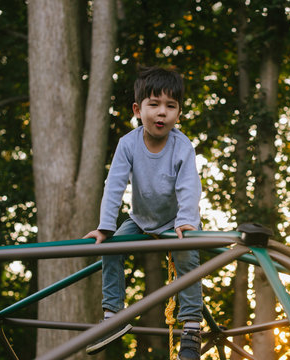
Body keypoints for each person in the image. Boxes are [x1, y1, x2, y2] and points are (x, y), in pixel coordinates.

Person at [84, 66, 203, 360]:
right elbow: (114, 186)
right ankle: (113, 316)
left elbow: (190, 186)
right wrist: (105, 227)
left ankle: (190, 328)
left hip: (176, 221)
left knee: (188, 256)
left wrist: (187, 221)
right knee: (111, 247)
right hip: (139, 219)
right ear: (138, 109)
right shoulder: (128, 144)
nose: (161, 113)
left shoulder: (182, 145)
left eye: (170, 106)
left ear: (179, 113)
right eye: (154, 104)